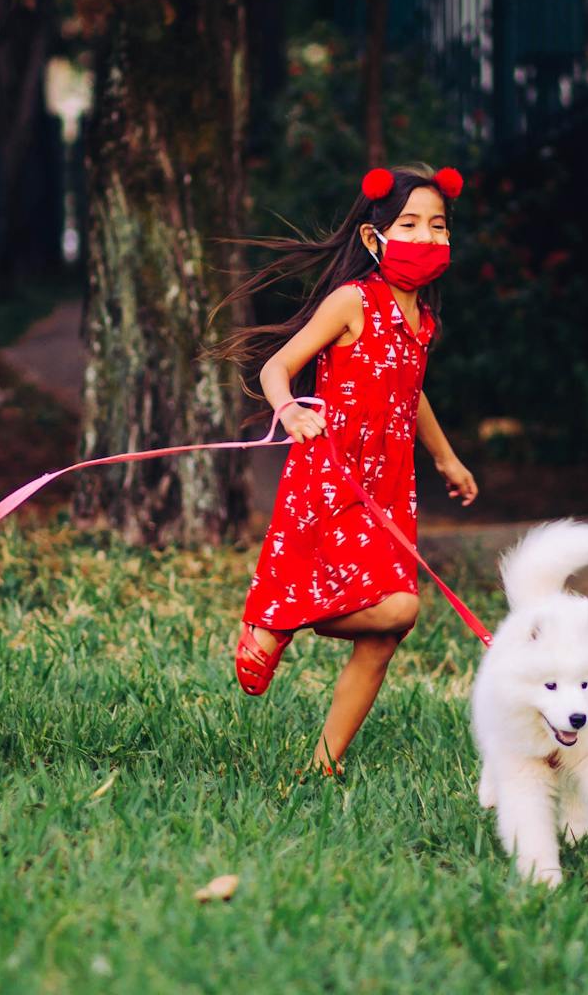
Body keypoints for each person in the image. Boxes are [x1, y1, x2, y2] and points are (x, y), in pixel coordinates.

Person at [212, 162, 478, 774]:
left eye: (439, 227)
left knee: (384, 634)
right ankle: (278, 622)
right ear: (372, 238)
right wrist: (290, 411)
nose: (427, 238)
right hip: (332, 475)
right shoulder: (353, 301)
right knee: (399, 607)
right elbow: (276, 366)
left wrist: (445, 458)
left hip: (390, 484)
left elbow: (411, 393)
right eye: (409, 224)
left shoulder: (422, 321)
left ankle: (323, 765)